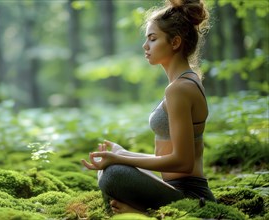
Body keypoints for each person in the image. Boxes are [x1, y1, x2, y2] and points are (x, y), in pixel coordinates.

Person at [81, 0, 216, 215]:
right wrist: (123, 152)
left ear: (175, 42)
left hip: (191, 195)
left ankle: (142, 213)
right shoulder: (182, 83)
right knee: (109, 169)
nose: (145, 46)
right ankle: (140, 211)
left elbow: (183, 162)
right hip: (172, 187)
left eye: (152, 39)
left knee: (114, 173)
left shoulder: (180, 89)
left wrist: (120, 158)